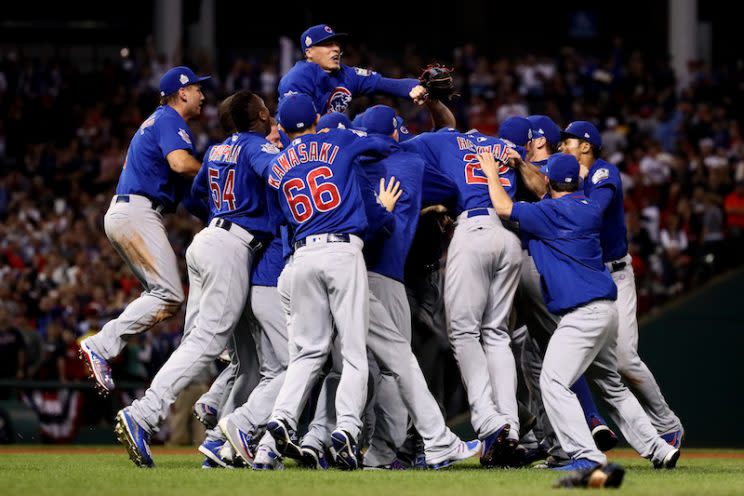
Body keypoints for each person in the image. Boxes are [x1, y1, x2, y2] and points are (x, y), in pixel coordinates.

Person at [478, 151, 680, 471]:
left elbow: (503, 207)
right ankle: (659, 448)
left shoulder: (548, 211)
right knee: (612, 386)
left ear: (547, 181)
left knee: (554, 381)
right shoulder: (589, 207)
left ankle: (585, 455)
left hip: (582, 315)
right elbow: (557, 193)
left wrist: (490, 171)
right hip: (607, 311)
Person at [114, 90, 279, 467]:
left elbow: (195, 198)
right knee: (207, 342)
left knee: (241, 357)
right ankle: (144, 413)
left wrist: (225, 213)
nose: (269, 115)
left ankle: (220, 444)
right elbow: (283, 176)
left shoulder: (219, 150)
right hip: (232, 247)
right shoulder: (255, 147)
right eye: (265, 111)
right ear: (258, 117)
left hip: (207, 242)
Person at [259, 93, 393, 470]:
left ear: (282, 128)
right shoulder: (338, 138)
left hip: (302, 255)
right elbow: (383, 144)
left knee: (307, 353)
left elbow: (278, 222)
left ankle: (281, 420)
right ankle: (347, 430)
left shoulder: (277, 165)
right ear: (316, 119)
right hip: (341, 250)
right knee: (352, 350)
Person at [79, 66, 210, 394]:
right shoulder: (169, 119)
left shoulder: (162, 123)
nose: (202, 95)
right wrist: (219, 168)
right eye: (197, 89)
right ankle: (102, 345)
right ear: (182, 93)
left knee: (165, 294)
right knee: (168, 294)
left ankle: (105, 345)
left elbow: (188, 195)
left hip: (131, 211)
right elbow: (181, 164)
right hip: (137, 212)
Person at [559, 121, 684, 448]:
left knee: (625, 360)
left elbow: (596, 211)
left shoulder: (603, 172)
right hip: (586, 277)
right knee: (590, 368)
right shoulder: (565, 178)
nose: (561, 147)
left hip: (614, 274)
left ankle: (668, 424)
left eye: (567, 142)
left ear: (585, 146)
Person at [401, 126, 520, 466]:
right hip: (507, 234)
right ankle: (509, 430)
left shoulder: (440, 138)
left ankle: (488, 421)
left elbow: (398, 153)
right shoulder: (502, 145)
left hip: (472, 230)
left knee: (464, 333)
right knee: (497, 335)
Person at [278, 24, 426, 115]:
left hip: (334, 141)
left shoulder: (346, 74)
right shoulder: (295, 80)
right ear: (309, 52)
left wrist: (420, 86)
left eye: (336, 44)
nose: (335, 49)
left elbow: (386, 84)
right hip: (301, 148)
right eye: (327, 45)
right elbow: (296, 126)